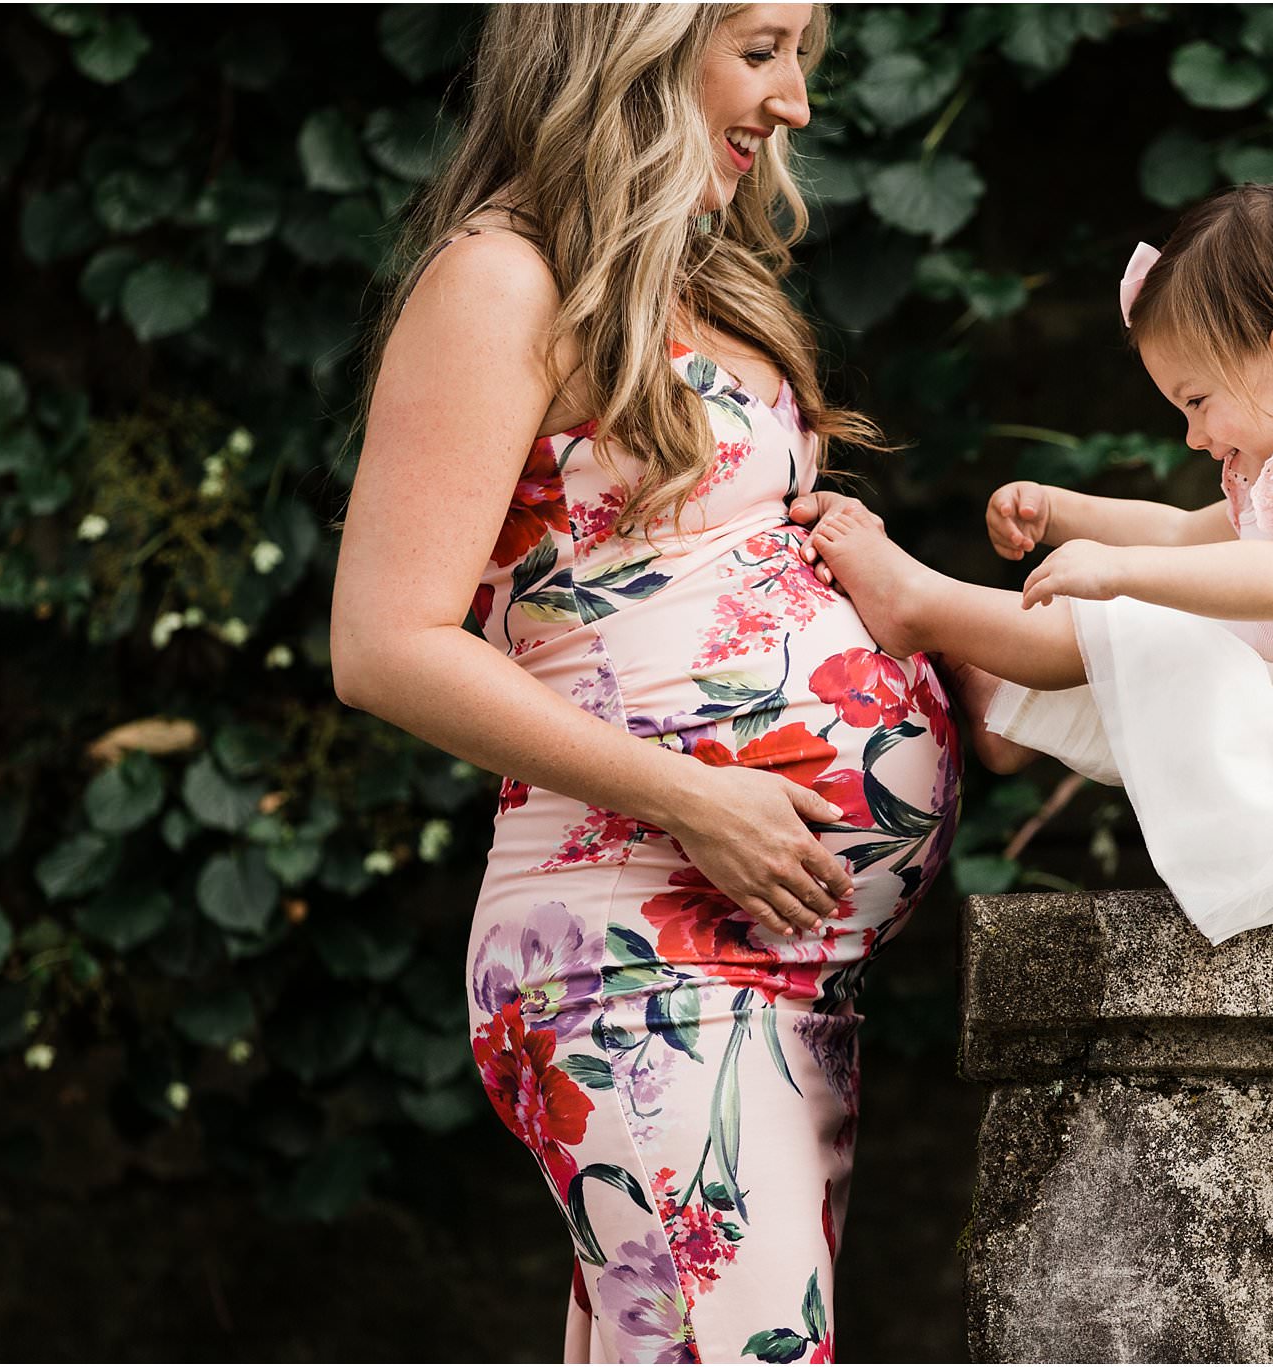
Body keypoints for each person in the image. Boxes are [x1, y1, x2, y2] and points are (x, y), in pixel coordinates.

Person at [329, 5, 961, 1361]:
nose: (794, 100)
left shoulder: (705, 282)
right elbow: (386, 639)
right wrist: (699, 795)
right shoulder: (502, 280)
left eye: (804, 53)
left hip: (782, 960)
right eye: (762, 45)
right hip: (634, 943)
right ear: (635, 37)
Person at [806, 185, 1273, 944]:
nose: (1191, 435)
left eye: (1197, 401)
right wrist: (1063, 514)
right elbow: (1185, 532)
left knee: (1169, 634)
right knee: (1170, 647)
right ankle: (1007, 699)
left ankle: (916, 600)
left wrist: (1117, 576)